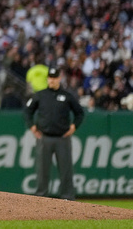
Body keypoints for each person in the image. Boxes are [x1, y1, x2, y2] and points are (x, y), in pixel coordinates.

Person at [24, 66, 85, 201]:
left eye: (54, 78)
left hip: (62, 137)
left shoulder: (67, 96)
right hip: (44, 137)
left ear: (59, 78)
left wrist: (74, 126)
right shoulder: (40, 95)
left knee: (65, 170)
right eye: (50, 78)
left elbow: (80, 113)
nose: (52, 80)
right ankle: (41, 197)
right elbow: (28, 111)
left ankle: (67, 197)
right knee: (42, 170)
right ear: (48, 79)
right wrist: (32, 127)